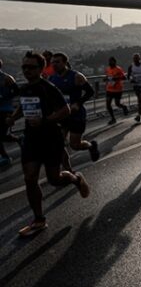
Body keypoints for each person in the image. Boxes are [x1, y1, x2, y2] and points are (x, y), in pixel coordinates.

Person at [9, 51, 90, 237]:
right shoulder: (25, 88)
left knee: (54, 179)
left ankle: (76, 179)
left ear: (40, 69)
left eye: (31, 67)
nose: (27, 70)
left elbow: (66, 110)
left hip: (51, 138)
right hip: (31, 139)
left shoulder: (49, 88)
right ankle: (39, 220)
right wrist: (13, 118)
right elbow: (24, 105)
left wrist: (45, 120)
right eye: (24, 67)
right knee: (30, 178)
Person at [49, 53, 100, 172]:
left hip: (76, 115)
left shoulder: (76, 76)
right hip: (62, 115)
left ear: (65, 63)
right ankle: (68, 170)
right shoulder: (52, 78)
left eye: (57, 62)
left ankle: (91, 146)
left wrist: (78, 103)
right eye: (53, 62)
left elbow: (90, 91)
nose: (54, 64)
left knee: (75, 145)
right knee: (59, 144)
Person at [0, 59, 19, 168]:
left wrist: (4, 97)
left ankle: (5, 157)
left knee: (1, 134)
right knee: (2, 135)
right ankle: (19, 139)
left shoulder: (7, 78)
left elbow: (16, 91)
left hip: (5, 109)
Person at [104, 56, 129, 125]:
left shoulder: (118, 69)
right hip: (109, 89)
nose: (110, 63)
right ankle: (113, 118)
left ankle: (124, 107)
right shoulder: (108, 69)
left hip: (118, 89)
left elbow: (124, 77)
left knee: (117, 104)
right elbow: (108, 76)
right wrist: (105, 79)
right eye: (109, 61)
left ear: (115, 62)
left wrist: (116, 78)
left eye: (111, 61)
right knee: (108, 104)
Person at [127, 53, 141, 122]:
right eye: (134, 58)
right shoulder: (131, 66)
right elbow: (128, 76)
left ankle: (138, 115)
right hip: (136, 85)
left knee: (140, 99)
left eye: (137, 58)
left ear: (139, 58)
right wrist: (131, 79)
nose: (136, 59)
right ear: (133, 59)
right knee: (140, 100)